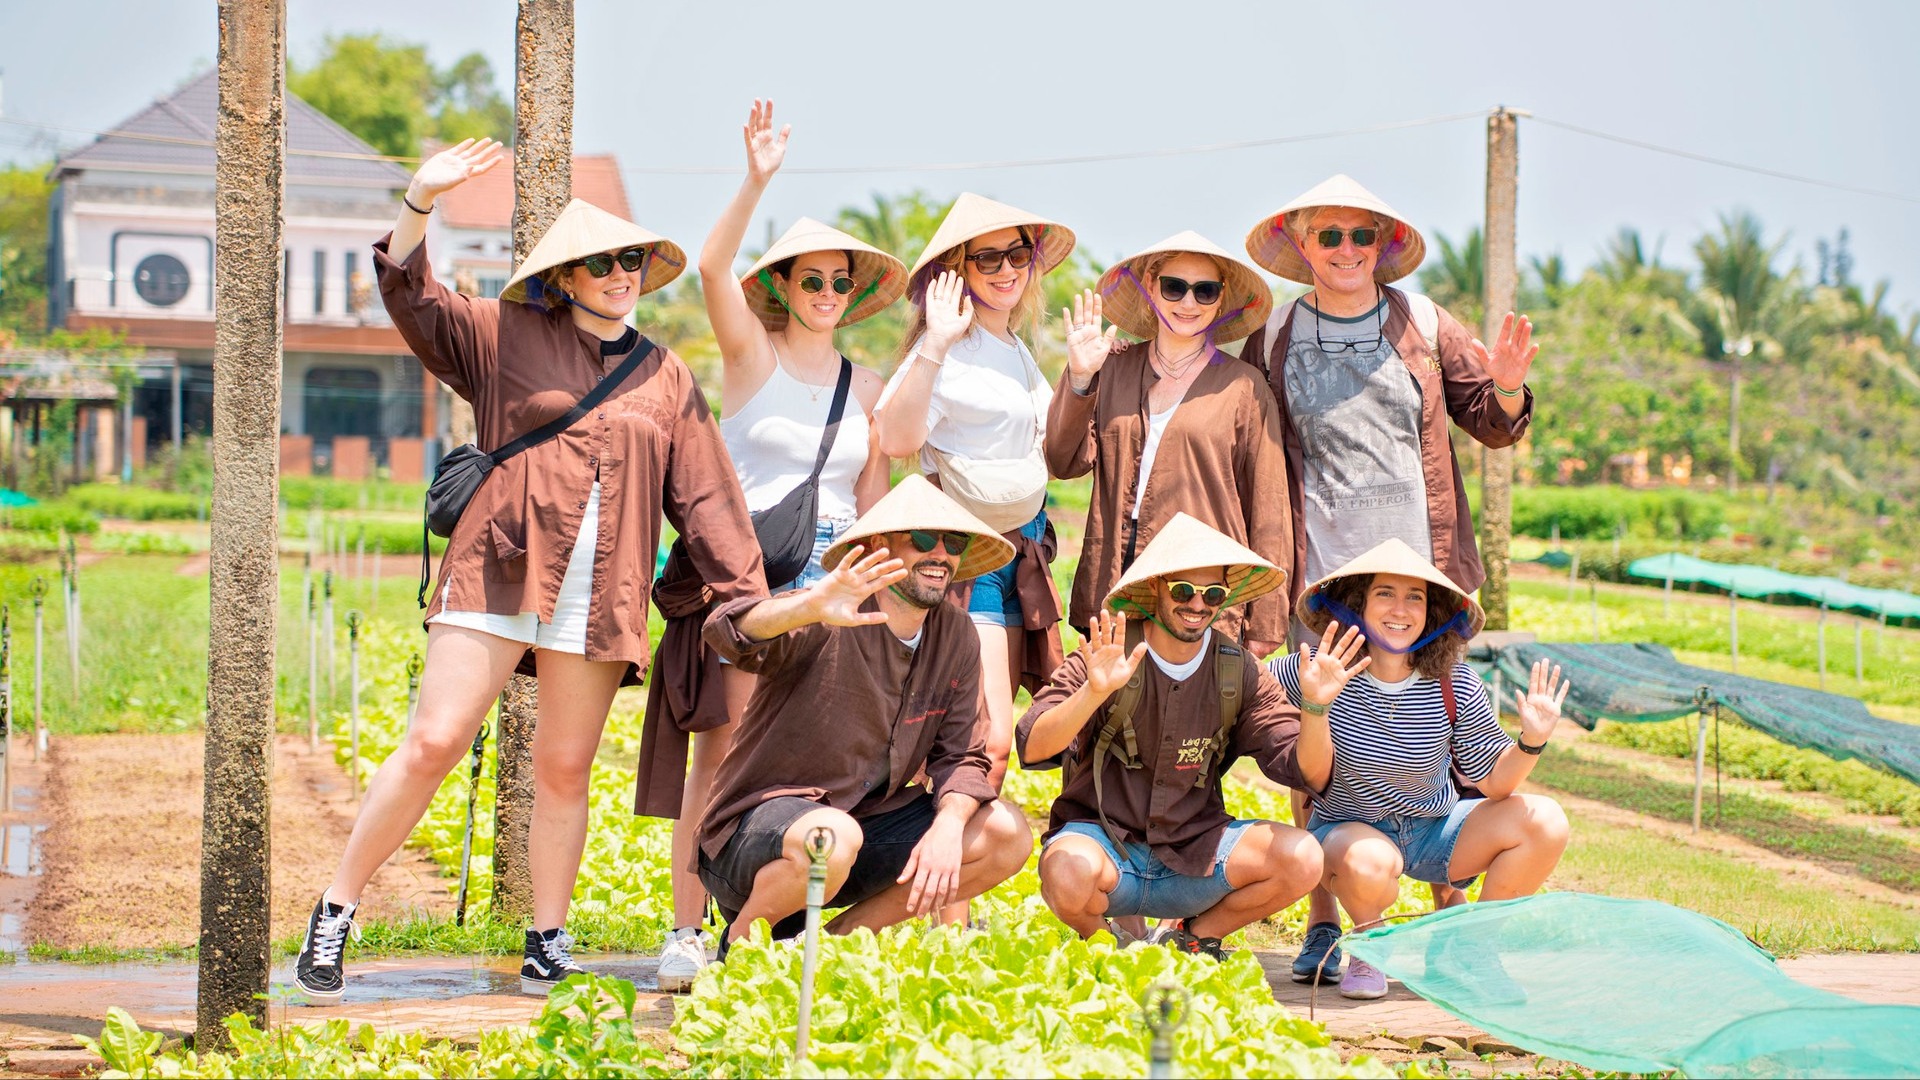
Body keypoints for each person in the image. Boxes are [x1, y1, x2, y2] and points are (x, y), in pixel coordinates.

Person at [295, 138, 767, 1002]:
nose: (620, 274)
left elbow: (708, 502)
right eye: (601, 263)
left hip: (599, 596)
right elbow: (417, 300)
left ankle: (546, 939)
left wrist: (753, 610)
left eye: (629, 260)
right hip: (499, 569)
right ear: (565, 277)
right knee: (434, 741)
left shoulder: (666, 376)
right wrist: (420, 202)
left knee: (562, 768)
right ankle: (336, 909)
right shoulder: (504, 334)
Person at [1237, 174, 1542, 983]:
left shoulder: (1424, 322)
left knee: (1427, 730)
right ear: (1302, 246)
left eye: (1359, 236)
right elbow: (1245, 436)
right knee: (1321, 737)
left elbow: (1492, 416)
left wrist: (1507, 380)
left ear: (1382, 245)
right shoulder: (1274, 332)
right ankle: (1326, 920)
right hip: (1323, 574)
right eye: (1327, 237)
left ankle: (1446, 909)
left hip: (1419, 574)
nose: (1344, 251)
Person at [638, 102, 907, 993]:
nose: (826, 294)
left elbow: (873, 488)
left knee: (821, 755)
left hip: (840, 582)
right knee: (727, 751)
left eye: (839, 282)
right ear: (783, 286)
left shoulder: (864, 383)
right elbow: (712, 266)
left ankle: (770, 919)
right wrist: (756, 178)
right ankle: (686, 928)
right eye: (811, 280)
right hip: (757, 580)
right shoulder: (751, 356)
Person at [696, 476, 1034, 946]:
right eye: (921, 539)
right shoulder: (829, 608)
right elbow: (727, 631)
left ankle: (834, 943)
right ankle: (742, 944)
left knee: (1005, 833)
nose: (939, 554)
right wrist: (807, 607)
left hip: (862, 829)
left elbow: (962, 757)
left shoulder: (956, 634)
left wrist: (949, 824)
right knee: (832, 835)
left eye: (952, 542)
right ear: (880, 545)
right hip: (758, 841)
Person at [1271, 538, 1572, 999]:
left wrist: (1531, 740)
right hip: (1350, 831)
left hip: (1435, 830)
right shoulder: (1314, 668)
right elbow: (1244, 696)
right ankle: (1369, 944)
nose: (1401, 609)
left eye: (1416, 596)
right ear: (1358, 603)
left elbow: (1494, 782)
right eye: (1385, 593)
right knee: (1371, 863)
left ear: (1432, 613)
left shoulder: (1456, 681)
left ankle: (1468, 950)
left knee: (1547, 820)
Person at [1016, 514, 1327, 958]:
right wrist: (1094, 692)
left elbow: (1306, 770)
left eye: (1212, 594)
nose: (1197, 604)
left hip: (1194, 855)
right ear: (1157, 587)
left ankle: (1194, 938)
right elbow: (1032, 743)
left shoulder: (1236, 668)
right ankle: (1111, 948)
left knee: (1304, 857)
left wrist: (1315, 707)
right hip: (1106, 850)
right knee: (1065, 871)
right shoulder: (1107, 653)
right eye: (1183, 590)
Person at [873, 193, 1076, 789]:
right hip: (968, 557)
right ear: (957, 271)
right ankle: (936, 873)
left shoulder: (1017, 350)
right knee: (980, 738)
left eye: (1017, 254)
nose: (1008, 270)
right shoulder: (946, 351)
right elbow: (895, 437)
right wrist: (934, 343)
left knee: (993, 740)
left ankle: (952, 874)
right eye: (988, 259)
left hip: (1025, 552)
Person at [1047, 231, 1287, 659]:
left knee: (1195, 721)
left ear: (1220, 299)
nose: (1188, 303)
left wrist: (1266, 617)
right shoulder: (1113, 368)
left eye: (1205, 290)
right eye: (1175, 287)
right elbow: (1062, 462)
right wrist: (1080, 378)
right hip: (1114, 578)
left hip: (1201, 591)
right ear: (1151, 286)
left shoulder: (1244, 387)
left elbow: (1269, 506)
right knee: (1111, 713)